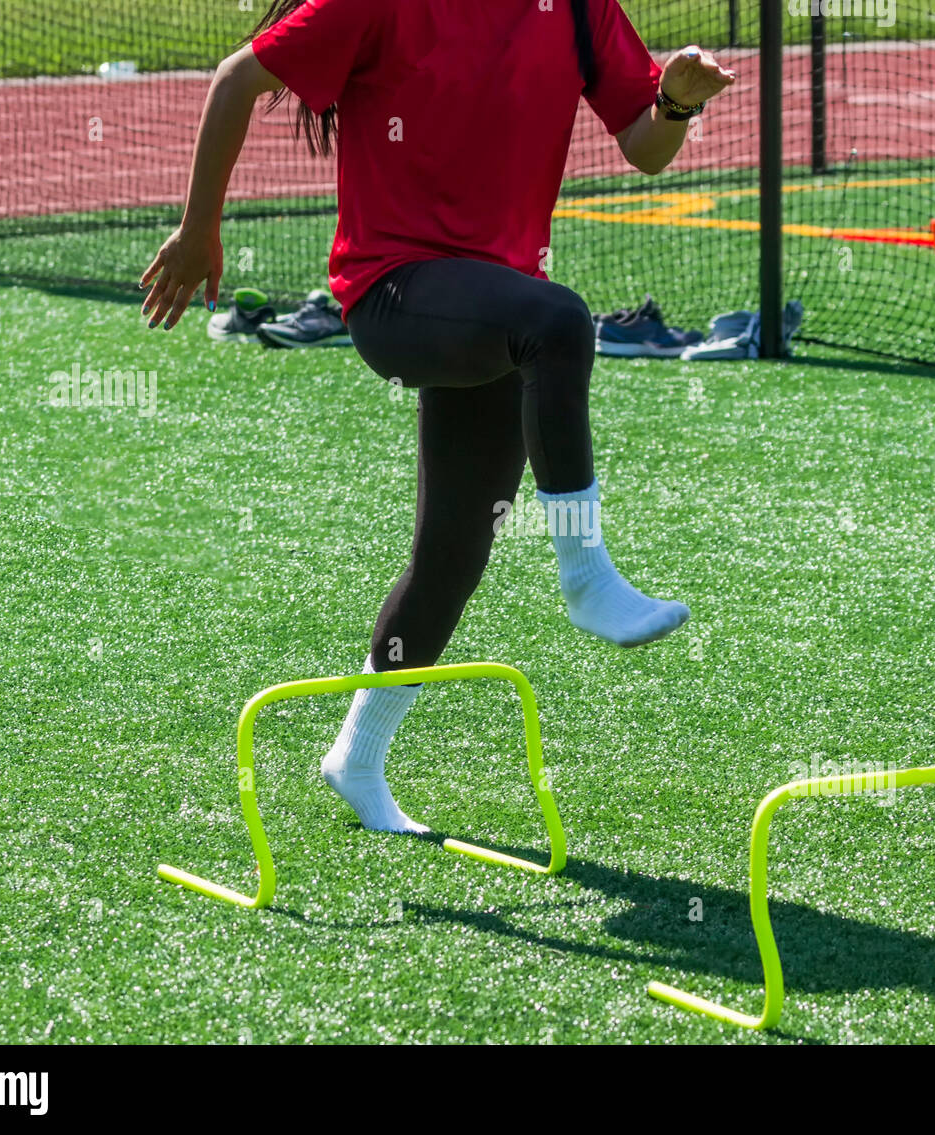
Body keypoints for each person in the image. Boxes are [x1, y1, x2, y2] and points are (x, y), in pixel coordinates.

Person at [140, 0, 735, 833]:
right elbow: (237, 78)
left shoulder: (575, 7)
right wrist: (199, 228)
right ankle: (587, 577)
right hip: (395, 292)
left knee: (452, 552)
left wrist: (674, 101)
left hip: (497, 311)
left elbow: (645, 147)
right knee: (562, 321)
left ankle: (355, 758)